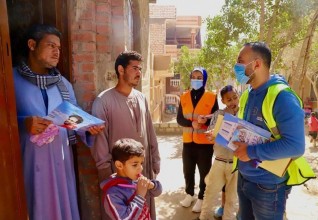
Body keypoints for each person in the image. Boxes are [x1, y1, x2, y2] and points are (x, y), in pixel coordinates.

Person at [13, 24, 104, 220]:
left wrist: (88, 128)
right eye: (51, 46)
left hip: (60, 162)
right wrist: (23, 123)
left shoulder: (63, 84)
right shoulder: (10, 80)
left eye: (59, 48)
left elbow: (72, 116)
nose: (57, 52)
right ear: (32, 45)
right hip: (29, 162)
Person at [232, 42, 312, 220]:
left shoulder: (282, 97)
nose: (236, 67)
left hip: (268, 187)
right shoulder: (247, 94)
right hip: (244, 177)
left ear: (257, 64)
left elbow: (295, 146)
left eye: (240, 61)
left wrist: (251, 152)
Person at [91, 51, 161, 219]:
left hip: (141, 169)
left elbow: (150, 132)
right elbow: (99, 141)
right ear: (121, 70)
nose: (139, 73)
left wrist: (155, 159)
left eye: (140, 69)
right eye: (135, 68)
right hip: (119, 175)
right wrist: (107, 172)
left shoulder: (141, 98)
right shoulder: (103, 101)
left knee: (144, 210)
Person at [177, 67, 219, 213]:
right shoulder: (183, 97)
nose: (196, 79)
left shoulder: (211, 97)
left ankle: (201, 198)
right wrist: (191, 124)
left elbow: (216, 119)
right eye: (194, 76)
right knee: (188, 170)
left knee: (204, 172)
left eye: (199, 77)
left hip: (205, 144)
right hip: (188, 142)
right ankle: (189, 194)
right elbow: (180, 118)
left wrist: (205, 123)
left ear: (204, 79)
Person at [199, 85, 239, 220]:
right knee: (209, 193)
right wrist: (211, 135)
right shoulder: (219, 114)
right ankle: (204, 217)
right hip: (219, 161)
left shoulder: (244, 114)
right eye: (229, 99)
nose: (233, 101)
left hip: (236, 164)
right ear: (223, 101)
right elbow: (211, 134)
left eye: (235, 97)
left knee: (231, 198)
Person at [101, 138, 162, 219]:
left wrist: (152, 185)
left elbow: (157, 192)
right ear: (119, 165)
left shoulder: (136, 178)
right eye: (135, 165)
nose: (140, 168)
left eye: (141, 163)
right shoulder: (112, 193)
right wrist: (139, 196)